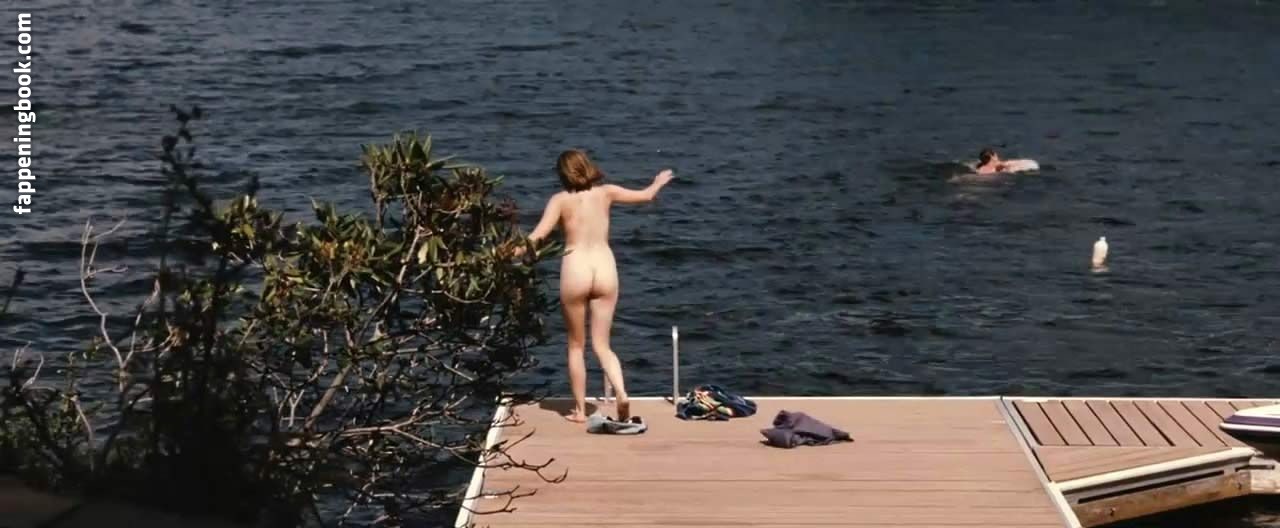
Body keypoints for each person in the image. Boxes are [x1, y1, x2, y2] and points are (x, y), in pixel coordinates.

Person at [522, 149, 674, 423]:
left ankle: (580, 411)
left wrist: (504, 253)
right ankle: (621, 392)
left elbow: (537, 237)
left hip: (576, 268)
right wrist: (658, 182)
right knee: (603, 345)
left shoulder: (560, 200)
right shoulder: (606, 193)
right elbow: (645, 196)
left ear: (562, 174)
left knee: (576, 346)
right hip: (605, 268)